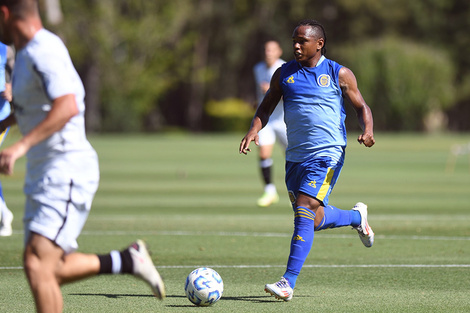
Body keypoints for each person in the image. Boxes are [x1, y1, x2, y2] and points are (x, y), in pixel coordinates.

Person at [0, 1, 165, 312]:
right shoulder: (23, 54)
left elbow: (67, 106)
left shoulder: (43, 49)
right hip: (44, 172)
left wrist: (19, 147)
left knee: (38, 264)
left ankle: (128, 260)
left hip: (66, 168)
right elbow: (31, 110)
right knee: (46, 266)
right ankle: (128, 260)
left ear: (5, 14)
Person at [239, 19, 375, 301]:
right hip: (296, 156)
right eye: (294, 41)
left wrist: (368, 129)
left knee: (304, 208)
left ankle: (287, 282)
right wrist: (254, 129)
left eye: (302, 41)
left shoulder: (339, 73)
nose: (296, 46)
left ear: (319, 44)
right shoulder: (283, 73)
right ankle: (356, 217)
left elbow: (362, 106)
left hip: (329, 153)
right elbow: (266, 104)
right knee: (314, 219)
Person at [252, 40, 287, 207]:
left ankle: (298, 193)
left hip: (284, 120)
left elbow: (291, 96)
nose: (268, 53)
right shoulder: (258, 69)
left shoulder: (285, 68)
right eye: (266, 50)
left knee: (293, 157)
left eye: (272, 50)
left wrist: (273, 92)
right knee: (264, 154)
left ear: (279, 52)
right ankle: (270, 191)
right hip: (267, 120)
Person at [0, 42, 13, 236]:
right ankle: (3, 212)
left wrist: (12, 86)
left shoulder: (4, 46)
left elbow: (16, 66)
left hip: (1, 115)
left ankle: (3, 213)